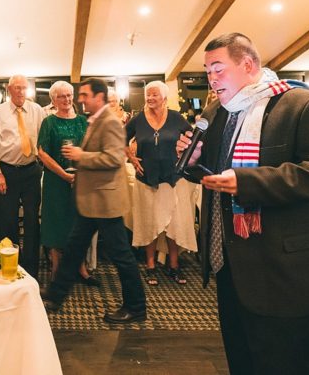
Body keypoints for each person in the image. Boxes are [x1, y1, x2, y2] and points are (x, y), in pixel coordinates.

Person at [177, 32, 309, 375]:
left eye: (218, 69)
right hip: (233, 267)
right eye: (207, 71)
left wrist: (248, 182)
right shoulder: (217, 112)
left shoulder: (302, 104)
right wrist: (193, 162)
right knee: (243, 363)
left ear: (247, 64)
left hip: (286, 271)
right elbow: (217, 173)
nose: (211, 79)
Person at [42, 78, 146, 324]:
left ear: (99, 97)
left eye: (85, 95)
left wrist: (82, 156)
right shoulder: (95, 119)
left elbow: (113, 159)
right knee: (74, 249)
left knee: (122, 257)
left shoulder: (110, 122)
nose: (80, 99)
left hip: (105, 201)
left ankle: (136, 307)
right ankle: (56, 295)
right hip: (93, 200)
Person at [125, 80, 194, 285]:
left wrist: (183, 155)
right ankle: (151, 266)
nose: (150, 98)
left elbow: (192, 139)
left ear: (164, 97)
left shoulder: (176, 118)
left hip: (173, 179)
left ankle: (174, 265)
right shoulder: (138, 120)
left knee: (173, 223)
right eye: (148, 94)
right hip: (146, 180)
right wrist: (131, 157)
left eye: (154, 94)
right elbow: (120, 138)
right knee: (150, 223)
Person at [0, 75, 45, 280]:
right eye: (17, 88)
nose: (21, 92)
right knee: (7, 219)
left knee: (32, 221)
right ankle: (10, 265)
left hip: (31, 171)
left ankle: (31, 269)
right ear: (9, 89)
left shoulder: (37, 110)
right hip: (7, 172)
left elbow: (43, 140)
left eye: (24, 88)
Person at [37, 81, 97, 285]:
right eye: (61, 96)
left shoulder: (82, 121)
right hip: (55, 181)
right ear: (53, 100)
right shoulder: (49, 122)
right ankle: (56, 269)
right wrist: (64, 174)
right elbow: (42, 152)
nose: (67, 99)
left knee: (78, 224)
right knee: (56, 223)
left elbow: (90, 149)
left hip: (81, 180)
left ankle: (80, 267)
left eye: (69, 95)